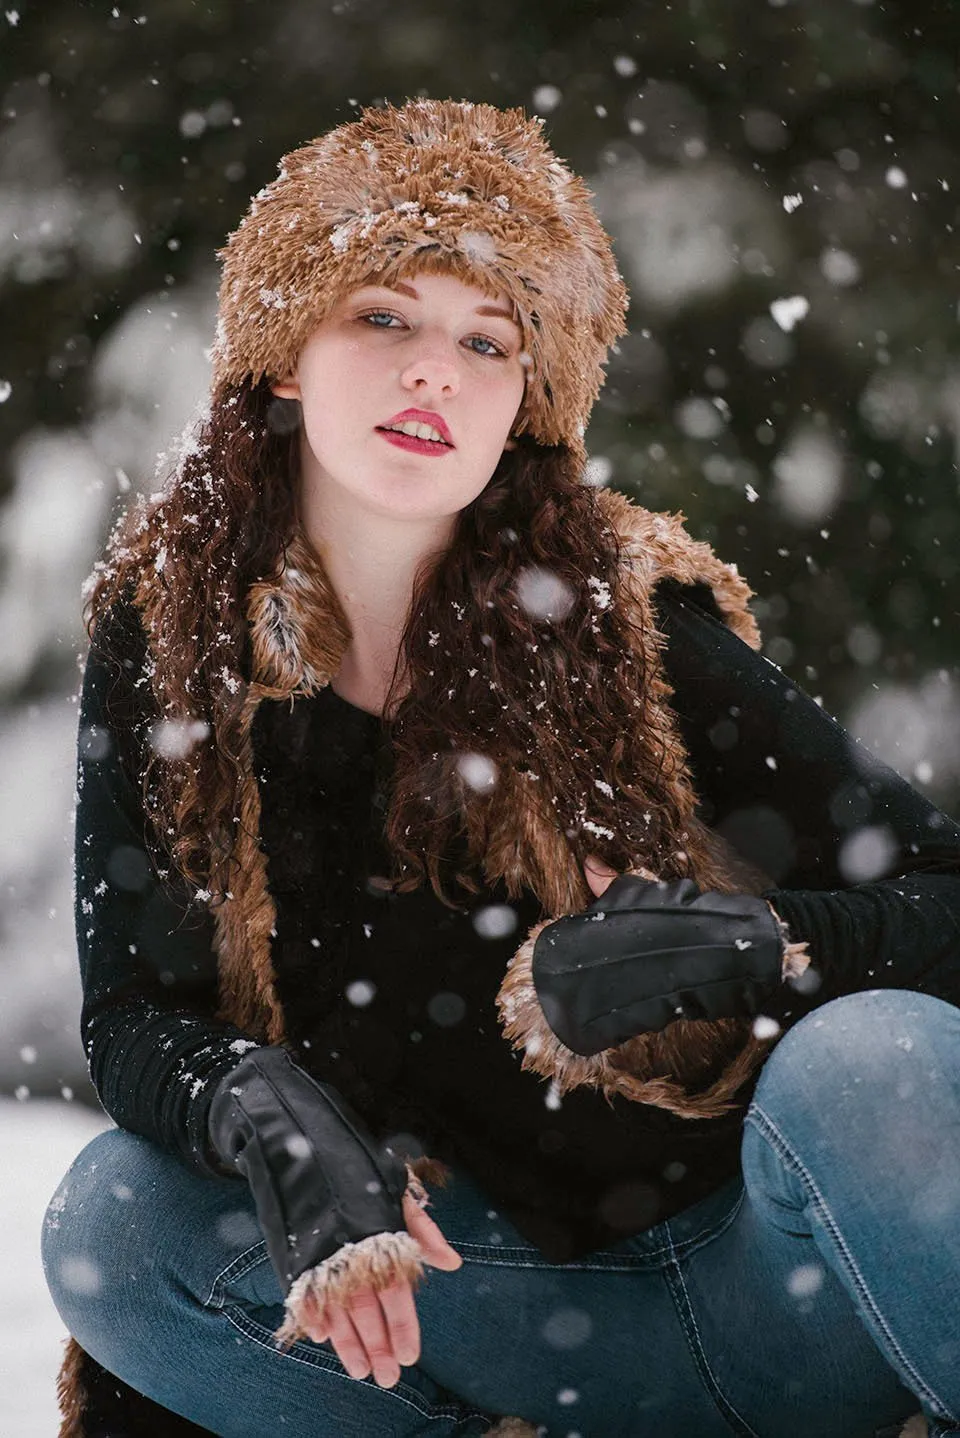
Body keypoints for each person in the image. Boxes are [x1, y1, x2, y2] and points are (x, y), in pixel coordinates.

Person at [42, 98, 960, 1438]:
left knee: (879, 1063)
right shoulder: (174, 638)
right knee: (118, 1220)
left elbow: (946, 900)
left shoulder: (626, 615)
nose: (437, 374)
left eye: (488, 342)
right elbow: (135, 1012)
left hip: (791, 1285)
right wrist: (256, 1105)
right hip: (487, 1315)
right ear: (285, 350)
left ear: (528, 395)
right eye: (386, 318)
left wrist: (757, 943)